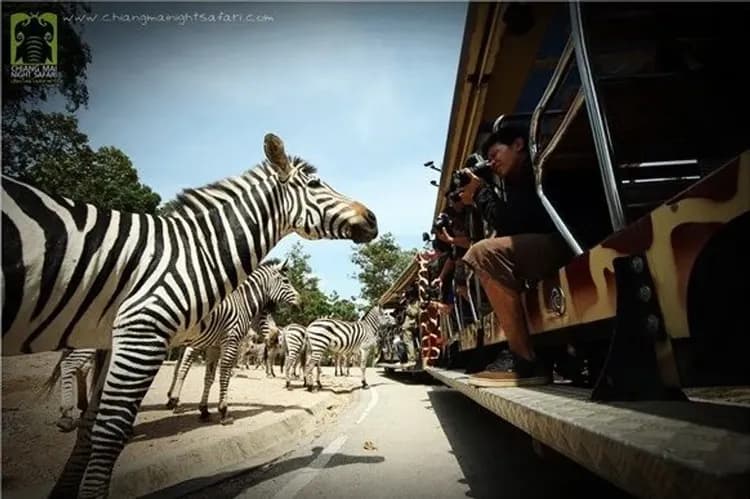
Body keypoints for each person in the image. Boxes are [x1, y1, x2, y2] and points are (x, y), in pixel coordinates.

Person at [457, 126, 572, 387]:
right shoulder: (516, 179)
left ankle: (524, 360)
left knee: (483, 253)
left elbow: (513, 224)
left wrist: (480, 193)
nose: (493, 162)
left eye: (495, 153)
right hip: (557, 241)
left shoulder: (537, 164)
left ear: (518, 144)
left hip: (571, 238)